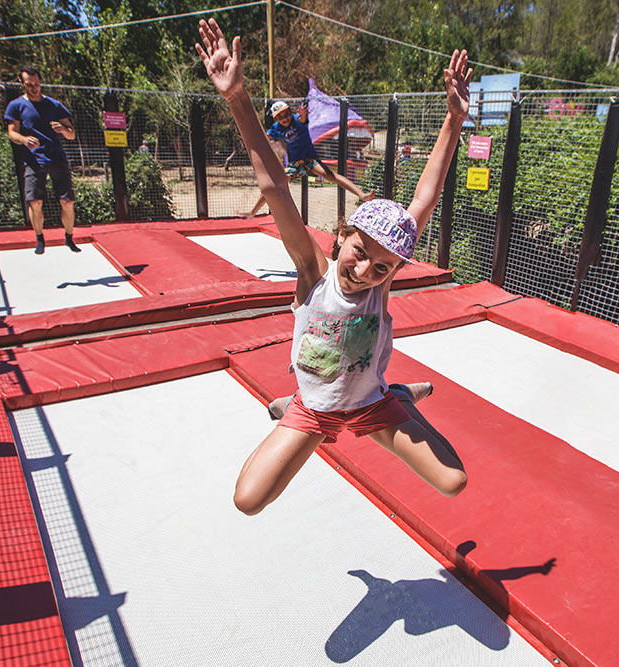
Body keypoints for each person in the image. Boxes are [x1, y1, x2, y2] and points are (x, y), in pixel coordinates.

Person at [196, 18, 469, 515]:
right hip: (315, 411)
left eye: (384, 268)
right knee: (248, 499)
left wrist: (453, 120)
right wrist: (237, 98)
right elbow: (276, 188)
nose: (366, 272)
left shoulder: (380, 285)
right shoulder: (312, 273)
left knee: (452, 481)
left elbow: (424, 198)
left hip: (370, 405)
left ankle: (399, 395)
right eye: (360, 253)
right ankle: (294, 404)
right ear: (342, 236)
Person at [236, 99, 375, 218]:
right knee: (274, 186)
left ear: (291, 113)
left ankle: (362, 195)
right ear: (275, 119)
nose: (285, 119)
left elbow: (302, 119)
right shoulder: (275, 128)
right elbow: (265, 138)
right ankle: (252, 212)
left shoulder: (297, 120)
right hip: (295, 163)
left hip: (310, 159)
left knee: (331, 176)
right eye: (280, 117)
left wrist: (302, 114)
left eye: (287, 114)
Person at [4, 66, 81, 254]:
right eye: (30, 85)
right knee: (35, 202)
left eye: (37, 84)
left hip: (57, 157)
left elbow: (71, 134)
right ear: (22, 84)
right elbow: (11, 132)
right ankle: (39, 239)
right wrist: (23, 140)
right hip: (33, 160)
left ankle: (69, 238)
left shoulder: (54, 105)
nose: (34, 88)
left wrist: (63, 129)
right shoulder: (16, 106)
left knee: (67, 202)